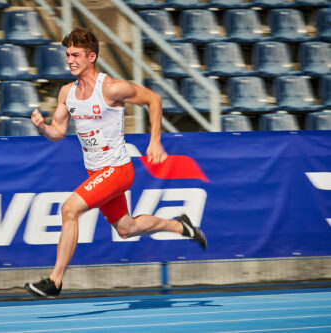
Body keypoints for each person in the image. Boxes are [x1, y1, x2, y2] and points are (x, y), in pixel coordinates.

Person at [25, 27, 207, 298]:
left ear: (92, 57)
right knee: (126, 228)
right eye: (67, 55)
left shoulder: (111, 88)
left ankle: (55, 281)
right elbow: (58, 133)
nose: (70, 60)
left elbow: (153, 99)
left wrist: (155, 141)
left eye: (76, 55)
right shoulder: (67, 93)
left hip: (118, 169)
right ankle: (181, 226)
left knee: (69, 209)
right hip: (96, 172)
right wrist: (42, 127)